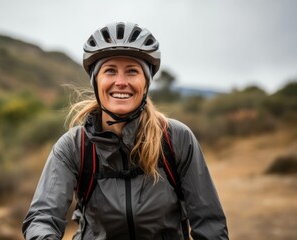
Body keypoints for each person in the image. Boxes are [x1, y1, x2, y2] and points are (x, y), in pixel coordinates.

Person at [22, 22, 229, 240]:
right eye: (110, 71)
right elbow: (42, 218)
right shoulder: (74, 147)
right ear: (96, 80)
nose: (121, 82)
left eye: (132, 71)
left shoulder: (175, 138)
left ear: (146, 82)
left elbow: (209, 225)